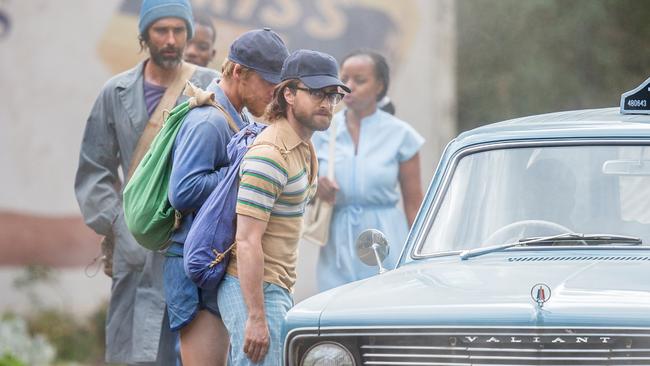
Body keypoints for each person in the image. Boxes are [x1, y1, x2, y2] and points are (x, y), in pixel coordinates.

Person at [74, 0, 218, 364]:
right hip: (135, 245)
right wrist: (119, 223)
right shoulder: (115, 92)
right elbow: (94, 168)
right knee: (129, 348)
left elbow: (232, 158)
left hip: (191, 243)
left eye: (179, 31)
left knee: (194, 347)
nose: (171, 39)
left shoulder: (210, 86)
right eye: (161, 30)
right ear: (144, 35)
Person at [216, 49, 350, 365]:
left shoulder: (303, 146)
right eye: (316, 92)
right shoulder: (270, 154)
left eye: (333, 95)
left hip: (276, 286)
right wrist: (256, 316)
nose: (327, 104)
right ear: (288, 93)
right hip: (255, 288)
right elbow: (247, 241)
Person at [165, 28, 289, 366]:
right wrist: (240, 175)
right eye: (268, 84)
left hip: (214, 261)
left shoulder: (240, 116)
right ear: (238, 72)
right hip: (196, 265)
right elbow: (183, 191)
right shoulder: (209, 120)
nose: (274, 95)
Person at [314, 50, 425, 291]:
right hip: (337, 245)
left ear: (380, 86)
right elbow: (298, 189)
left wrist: (421, 258)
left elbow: (415, 205)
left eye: (360, 80)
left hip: (386, 239)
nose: (349, 86)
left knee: (384, 313)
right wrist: (316, 188)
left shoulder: (401, 135)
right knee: (335, 316)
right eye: (344, 79)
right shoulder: (322, 131)